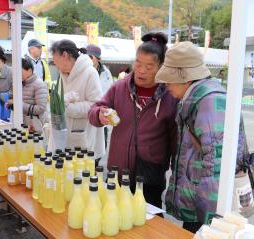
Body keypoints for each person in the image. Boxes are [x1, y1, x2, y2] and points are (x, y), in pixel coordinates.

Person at [155, 41, 247, 233]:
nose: (166, 84)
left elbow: (214, 168)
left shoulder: (210, 101)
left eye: (169, 78)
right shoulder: (197, 97)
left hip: (206, 213)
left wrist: (210, 222)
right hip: (199, 205)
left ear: (185, 77)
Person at [88, 33, 178, 209]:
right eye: (138, 62)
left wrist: (176, 173)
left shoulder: (169, 95)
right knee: (113, 218)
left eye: (149, 66)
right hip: (118, 171)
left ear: (161, 67)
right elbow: (93, 111)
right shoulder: (119, 87)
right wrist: (100, 114)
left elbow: (175, 140)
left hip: (150, 176)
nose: (141, 70)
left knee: (146, 226)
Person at [50, 39, 105, 161]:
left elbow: (97, 105)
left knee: (82, 175)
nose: (56, 65)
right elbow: (61, 100)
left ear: (65, 55)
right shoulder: (63, 75)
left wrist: (69, 108)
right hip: (64, 137)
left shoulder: (90, 72)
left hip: (84, 137)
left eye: (56, 62)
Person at [7, 58, 48, 132]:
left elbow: (41, 108)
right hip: (21, 125)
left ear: (29, 70)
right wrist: (11, 104)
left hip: (35, 126)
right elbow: (13, 100)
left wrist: (19, 104)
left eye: (20, 71)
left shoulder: (39, 84)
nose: (18, 74)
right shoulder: (18, 84)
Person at [86, 44, 114, 153]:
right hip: (88, 112)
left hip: (102, 111)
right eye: (86, 56)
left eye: (90, 57)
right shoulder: (82, 71)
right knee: (88, 143)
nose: (87, 59)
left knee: (101, 144)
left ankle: (97, 162)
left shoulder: (106, 73)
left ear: (98, 59)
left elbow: (110, 91)